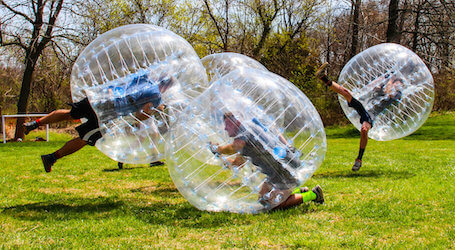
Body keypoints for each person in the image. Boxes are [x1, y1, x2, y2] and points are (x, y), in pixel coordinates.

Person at [23, 73, 174, 173]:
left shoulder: (144, 79)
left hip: (101, 97)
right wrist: (154, 110)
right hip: (109, 112)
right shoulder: (156, 96)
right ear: (166, 87)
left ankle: (34, 124)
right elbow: (140, 115)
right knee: (86, 138)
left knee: (70, 114)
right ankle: (52, 157)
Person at [209, 112, 324, 210]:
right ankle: (299, 192)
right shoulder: (249, 136)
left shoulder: (244, 130)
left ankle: (314, 194)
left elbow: (235, 146)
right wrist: (219, 156)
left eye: (227, 125)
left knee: (273, 204)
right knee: (263, 200)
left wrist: (218, 149)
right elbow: (236, 165)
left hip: (284, 169)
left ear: (235, 122)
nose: (225, 128)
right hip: (277, 172)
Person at [315, 63, 403, 171]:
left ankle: (359, 159)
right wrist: (383, 81)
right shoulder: (384, 84)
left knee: (364, 130)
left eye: (397, 82)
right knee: (346, 93)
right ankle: (323, 77)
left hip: (371, 113)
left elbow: (389, 93)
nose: (396, 84)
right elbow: (375, 87)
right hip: (364, 104)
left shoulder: (398, 93)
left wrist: (391, 80)